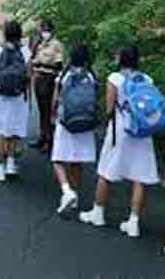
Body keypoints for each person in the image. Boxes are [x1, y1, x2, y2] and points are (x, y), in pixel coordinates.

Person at [79, 45, 160, 237]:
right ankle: (134, 222)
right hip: (142, 131)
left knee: (106, 169)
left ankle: (98, 212)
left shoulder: (115, 79)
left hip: (121, 129)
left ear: (121, 59)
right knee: (140, 176)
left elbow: (109, 109)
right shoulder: (147, 79)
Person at [0, 21, 32, 182]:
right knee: (13, 130)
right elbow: (29, 76)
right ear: (20, 34)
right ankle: (11, 164)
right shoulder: (26, 52)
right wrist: (29, 98)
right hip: (18, 97)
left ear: (5, 34)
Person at [51, 43, 97, 213]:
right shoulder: (91, 76)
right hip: (85, 123)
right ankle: (75, 196)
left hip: (66, 122)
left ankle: (66, 190)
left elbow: (56, 99)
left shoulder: (64, 75)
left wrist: (52, 114)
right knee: (76, 160)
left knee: (58, 159)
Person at [31, 20, 63, 153]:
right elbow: (33, 59)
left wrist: (43, 64)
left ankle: (49, 141)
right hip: (38, 78)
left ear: (51, 31)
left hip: (49, 78)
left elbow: (59, 64)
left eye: (46, 30)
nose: (44, 32)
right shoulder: (39, 44)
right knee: (41, 110)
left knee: (49, 110)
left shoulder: (56, 45)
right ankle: (42, 137)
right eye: (42, 30)